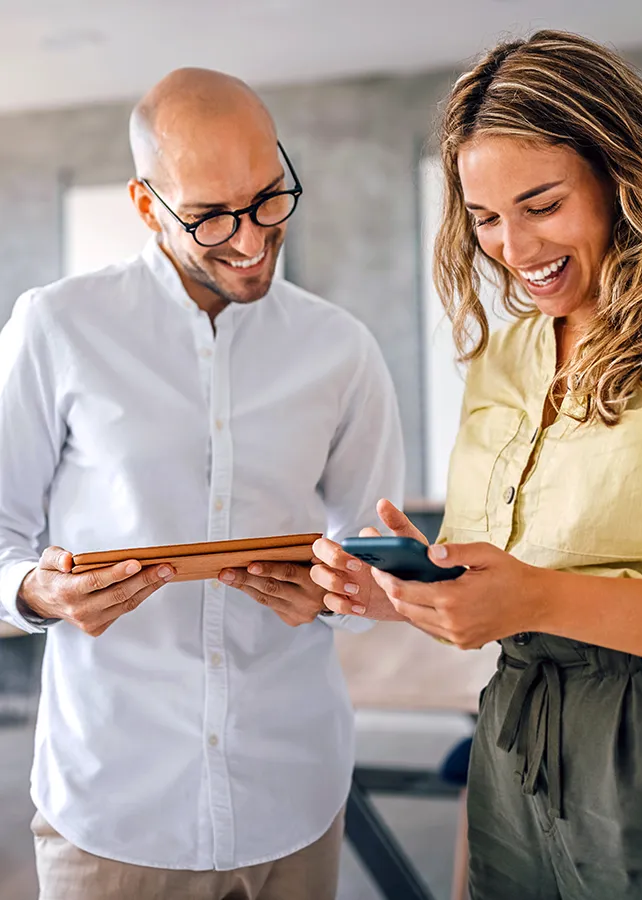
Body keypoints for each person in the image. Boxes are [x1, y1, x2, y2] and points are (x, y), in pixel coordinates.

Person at [311, 30, 642, 900]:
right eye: (486, 217)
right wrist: (395, 595)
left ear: (627, 178)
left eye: (541, 205)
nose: (510, 245)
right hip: (518, 751)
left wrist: (538, 597)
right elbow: (495, 582)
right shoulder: (505, 360)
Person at [0, 68, 404, 900]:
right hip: (114, 806)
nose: (252, 239)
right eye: (211, 216)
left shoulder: (343, 350)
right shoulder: (57, 328)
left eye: (268, 198)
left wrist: (340, 594)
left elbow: (381, 562)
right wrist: (39, 593)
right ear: (147, 206)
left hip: (292, 796)